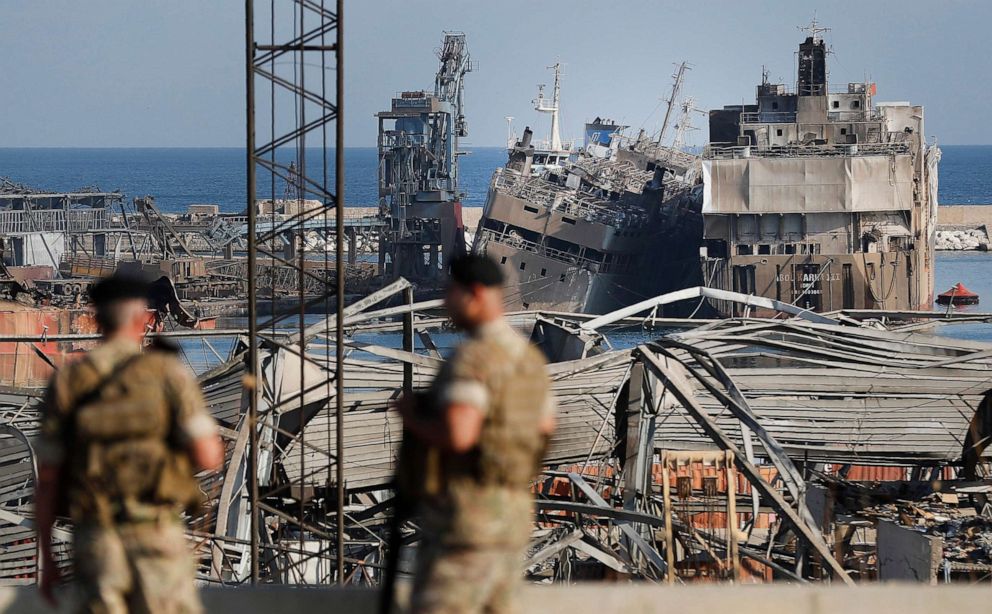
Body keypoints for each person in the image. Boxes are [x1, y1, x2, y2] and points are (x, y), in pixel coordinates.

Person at [35, 272, 224, 613]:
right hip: (157, 536)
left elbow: (48, 479)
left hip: (97, 540)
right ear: (143, 319)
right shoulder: (168, 375)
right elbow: (209, 455)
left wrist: (47, 561)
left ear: (95, 320)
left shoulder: (68, 383)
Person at [397, 254, 556, 614]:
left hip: (465, 521)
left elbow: (459, 436)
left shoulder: (475, 359)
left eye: (451, 292)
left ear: (476, 294)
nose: (445, 303)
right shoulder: (529, 358)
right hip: (512, 515)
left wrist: (412, 417)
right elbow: (546, 429)